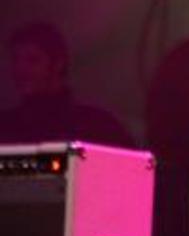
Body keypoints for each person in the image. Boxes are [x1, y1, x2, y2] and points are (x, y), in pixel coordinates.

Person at [0, 21, 134, 147]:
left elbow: (133, 162)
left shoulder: (96, 125)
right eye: (16, 59)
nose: (20, 69)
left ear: (58, 64)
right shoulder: (7, 125)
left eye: (32, 60)